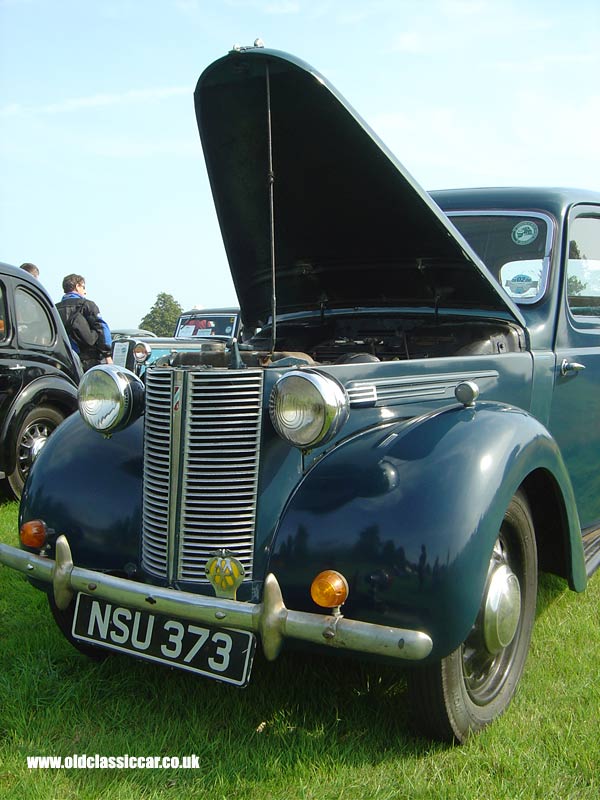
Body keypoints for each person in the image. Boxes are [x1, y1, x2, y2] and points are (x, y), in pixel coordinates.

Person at [56, 274, 113, 371]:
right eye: (83, 287)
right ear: (77, 286)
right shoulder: (88, 305)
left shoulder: (55, 308)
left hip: (62, 361)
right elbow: (102, 329)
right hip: (87, 360)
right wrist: (107, 355)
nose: (85, 291)